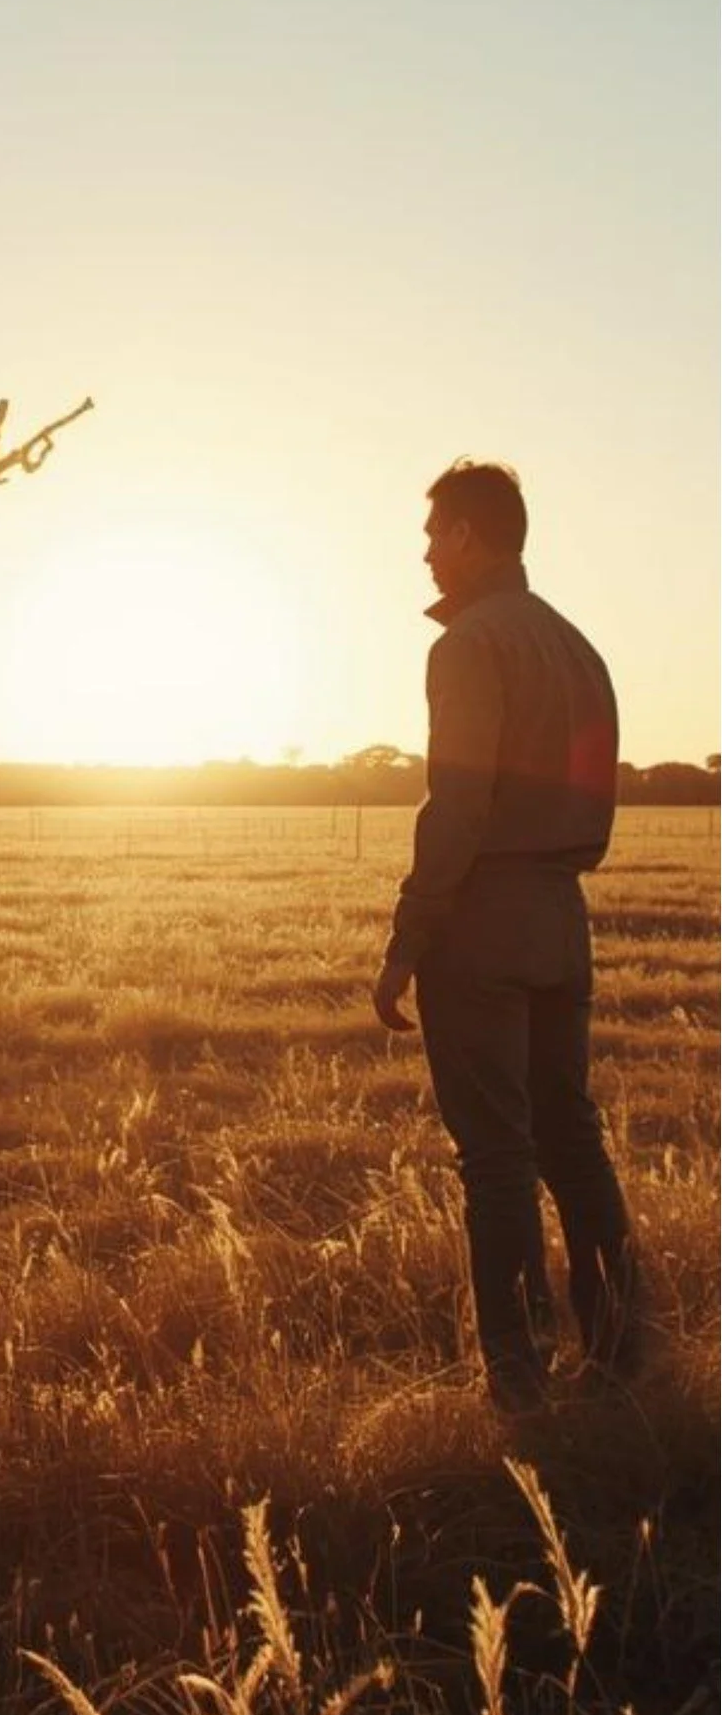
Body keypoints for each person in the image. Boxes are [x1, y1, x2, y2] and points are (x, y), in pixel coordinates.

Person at [371, 460, 639, 1413]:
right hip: (561, 915)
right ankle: (619, 1355)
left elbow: (458, 803)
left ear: (476, 536)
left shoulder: (468, 645)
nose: (427, 550)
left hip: (482, 915)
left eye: (438, 531)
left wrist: (408, 938)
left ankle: (520, 1383)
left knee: (496, 1158)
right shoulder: (576, 648)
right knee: (572, 1138)